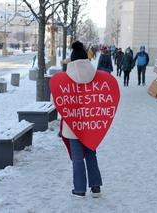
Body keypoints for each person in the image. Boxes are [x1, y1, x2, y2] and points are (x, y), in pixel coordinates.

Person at [61, 41, 102, 197]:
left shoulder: (65, 79)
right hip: (91, 122)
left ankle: (79, 189)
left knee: (77, 157)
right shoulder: (96, 78)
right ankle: (96, 186)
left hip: (72, 124)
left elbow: (56, 100)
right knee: (91, 154)